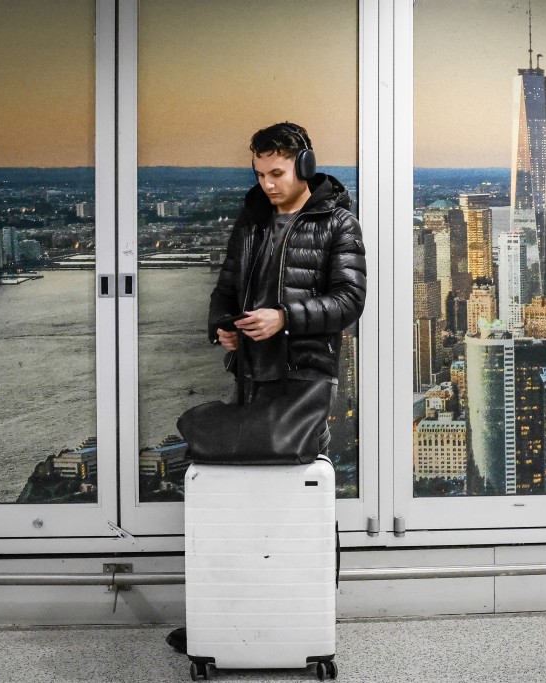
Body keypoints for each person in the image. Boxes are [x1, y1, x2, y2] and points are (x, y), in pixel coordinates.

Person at [167, 121, 367, 654]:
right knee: (244, 501)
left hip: (304, 377)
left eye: (276, 173)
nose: (268, 185)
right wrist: (223, 326)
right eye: (259, 174)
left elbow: (349, 302)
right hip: (252, 375)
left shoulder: (337, 224)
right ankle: (232, 615)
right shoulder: (252, 219)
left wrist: (286, 318)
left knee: (303, 502)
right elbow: (227, 284)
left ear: (303, 165)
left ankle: (306, 615)